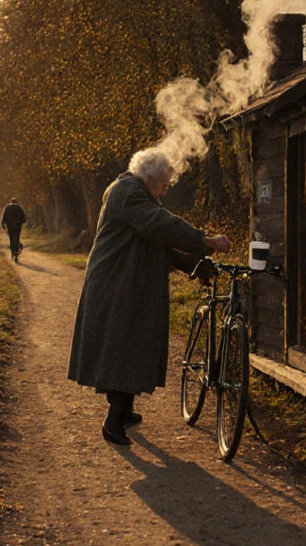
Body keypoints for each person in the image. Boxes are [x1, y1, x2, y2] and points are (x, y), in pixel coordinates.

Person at [67, 148, 231, 446]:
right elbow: (159, 223)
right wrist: (203, 239)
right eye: (164, 183)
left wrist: (195, 264)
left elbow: (159, 244)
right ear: (149, 176)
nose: (166, 190)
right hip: (117, 282)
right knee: (126, 345)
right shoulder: (129, 193)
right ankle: (113, 421)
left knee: (130, 343)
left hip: (124, 281)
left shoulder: (133, 192)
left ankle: (124, 410)